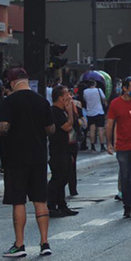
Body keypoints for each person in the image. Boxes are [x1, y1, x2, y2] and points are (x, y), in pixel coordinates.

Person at [0, 68, 55, 257]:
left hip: (16, 158)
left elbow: (4, 126)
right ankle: (45, 242)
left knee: (18, 201)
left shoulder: (8, 102)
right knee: (40, 200)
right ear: (26, 80)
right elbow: (51, 129)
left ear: (11, 83)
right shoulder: (42, 101)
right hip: (38, 157)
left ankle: (19, 244)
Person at [106, 76, 131, 218]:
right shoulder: (115, 104)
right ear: (124, 88)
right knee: (125, 176)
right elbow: (110, 123)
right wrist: (109, 142)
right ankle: (127, 206)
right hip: (122, 145)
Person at [46, 86, 79, 218]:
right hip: (58, 150)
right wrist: (70, 111)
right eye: (67, 94)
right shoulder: (55, 111)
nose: (70, 97)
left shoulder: (62, 111)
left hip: (67, 149)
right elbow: (67, 127)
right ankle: (51, 205)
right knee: (58, 178)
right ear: (60, 98)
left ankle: (62, 205)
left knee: (65, 177)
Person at [83, 80, 108, 152]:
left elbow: (85, 99)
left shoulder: (85, 91)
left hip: (90, 112)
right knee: (100, 129)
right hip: (99, 111)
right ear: (95, 84)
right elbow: (103, 99)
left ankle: (92, 146)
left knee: (92, 129)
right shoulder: (98, 90)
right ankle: (102, 146)